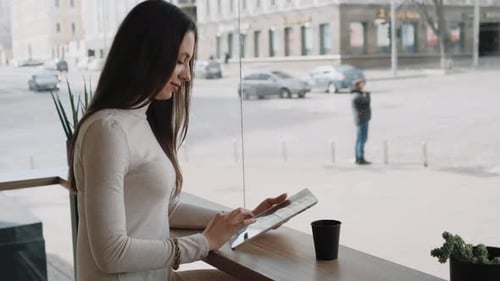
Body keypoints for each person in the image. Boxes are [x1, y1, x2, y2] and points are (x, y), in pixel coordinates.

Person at [67, 1, 287, 280]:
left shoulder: (138, 120)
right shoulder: (108, 130)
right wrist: (204, 243)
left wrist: (238, 219)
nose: (187, 75)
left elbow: (164, 208)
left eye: (189, 62)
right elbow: (110, 253)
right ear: (148, 54)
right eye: (180, 60)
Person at [351, 79, 372, 165]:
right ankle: (360, 158)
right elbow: (367, 103)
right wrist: (367, 95)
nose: (364, 85)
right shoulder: (357, 96)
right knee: (362, 139)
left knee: (360, 139)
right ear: (359, 85)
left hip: (361, 119)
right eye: (362, 84)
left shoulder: (357, 95)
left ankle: (358, 157)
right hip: (362, 120)